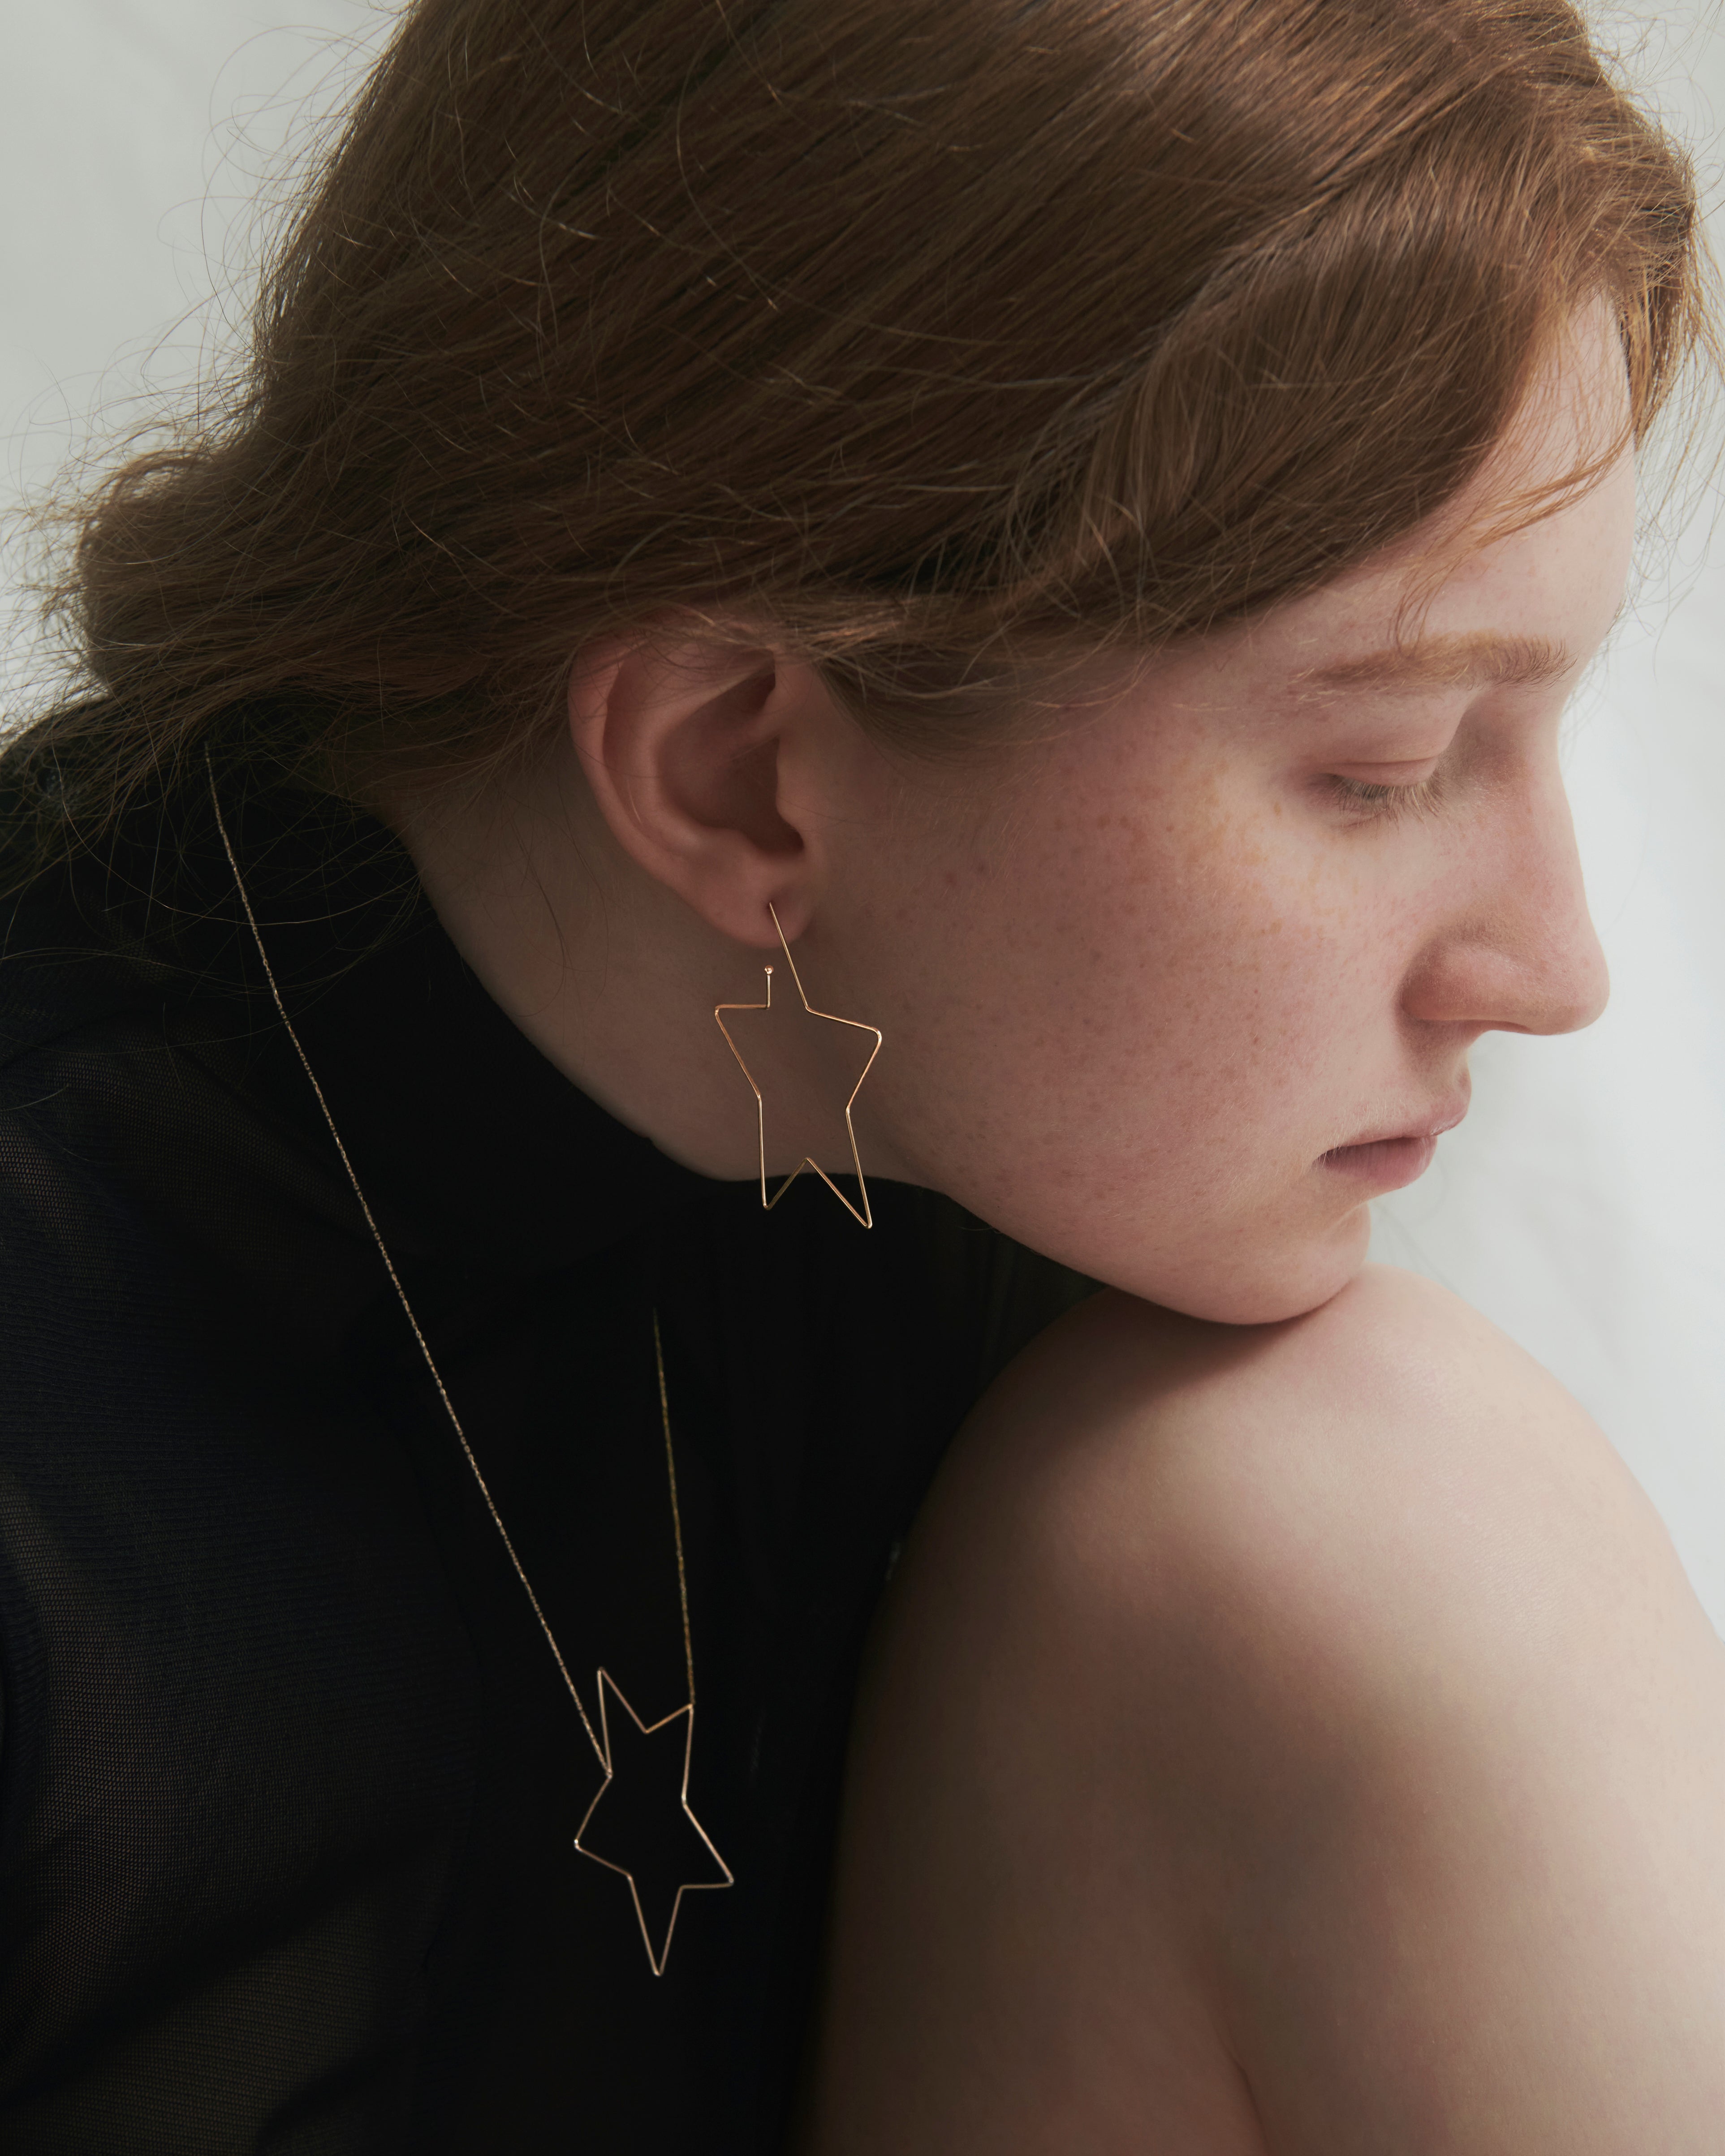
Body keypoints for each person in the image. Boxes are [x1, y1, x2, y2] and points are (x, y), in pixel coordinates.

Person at [0, 0, 1720, 2151]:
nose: (1554, 970)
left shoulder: (992, 1140)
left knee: (1376, 1478)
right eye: (1381, 768)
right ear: (737, 771)